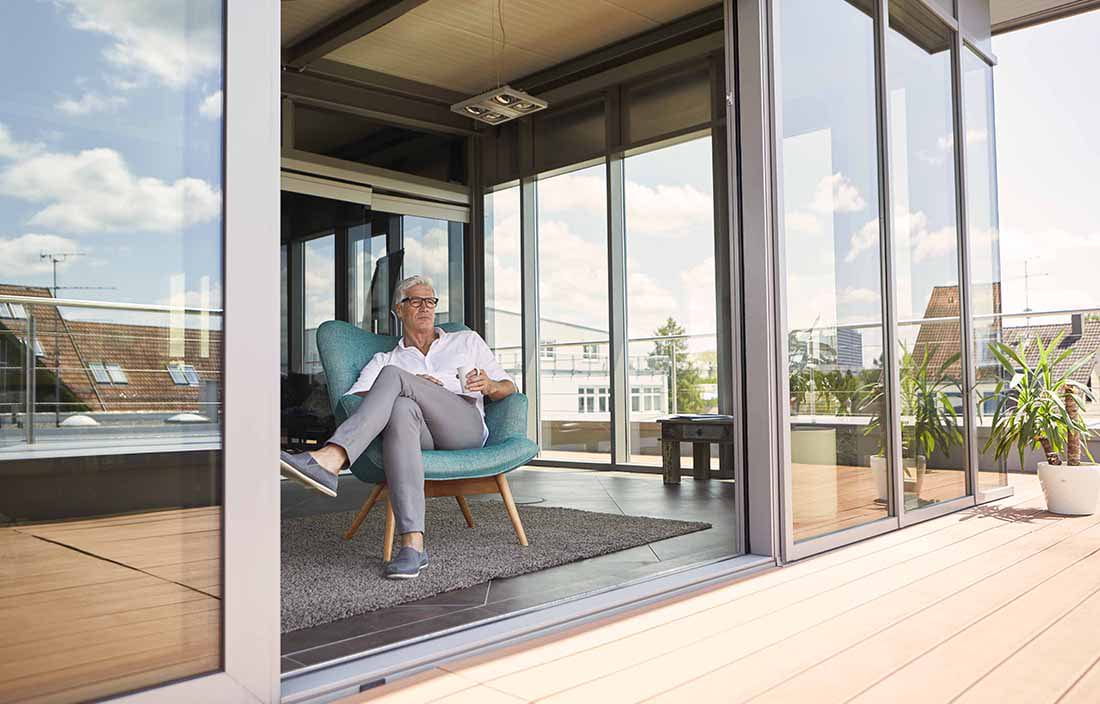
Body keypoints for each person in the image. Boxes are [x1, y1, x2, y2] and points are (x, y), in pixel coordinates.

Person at [279, 275, 517, 579]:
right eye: (415, 301)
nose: (425, 307)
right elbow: (354, 398)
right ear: (398, 310)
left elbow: (510, 386)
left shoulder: (465, 341)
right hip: (422, 435)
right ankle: (413, 547)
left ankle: (332, 458)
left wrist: (490, 384)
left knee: (395, 377)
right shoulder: (386, 358)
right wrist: (413, 387)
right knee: (402, 405)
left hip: (464, 426)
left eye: (430, 301)